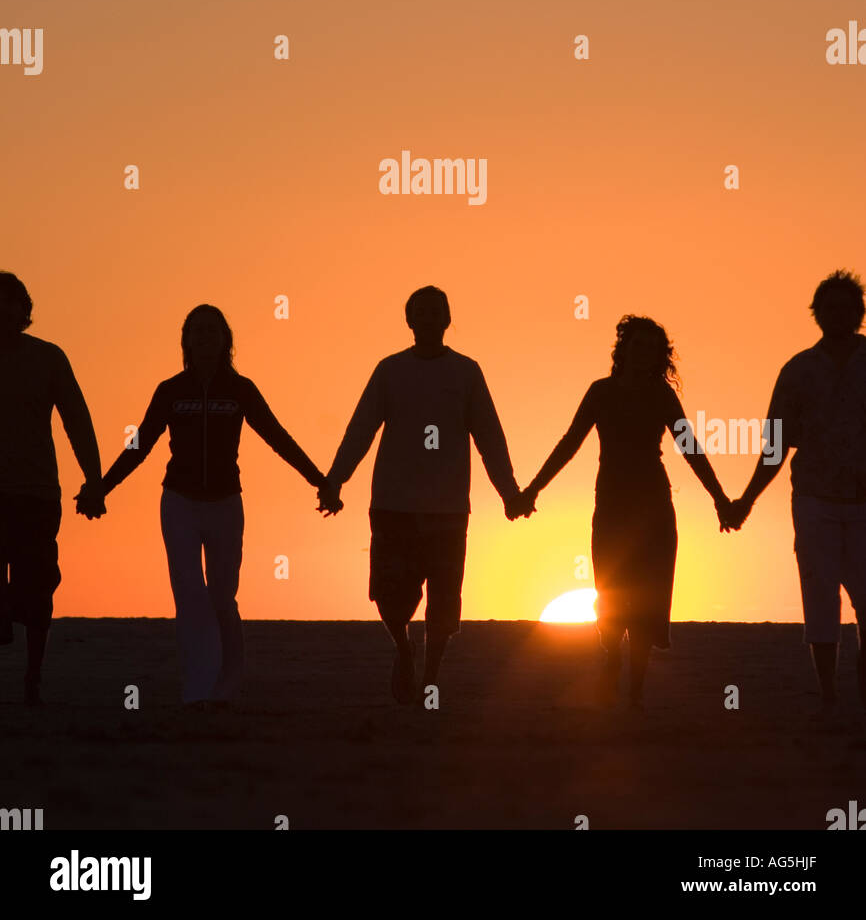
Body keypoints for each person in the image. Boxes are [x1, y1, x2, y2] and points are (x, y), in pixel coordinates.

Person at [84, 303, 341, 708]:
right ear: (186, 341)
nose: (203, 337)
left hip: (225, 503)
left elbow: (277, 436)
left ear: (225, 340)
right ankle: (198, 691)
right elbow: (140, 444)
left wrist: (321, 481)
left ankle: (227, 682)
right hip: (179, 503)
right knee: (189, 592)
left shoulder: (241, 390)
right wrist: (102, 488)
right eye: (196, 331)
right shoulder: (170, 391)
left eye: (211, 330)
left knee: (222, 595)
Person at [326, 285, 528, 704]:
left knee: (443, 599)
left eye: (438, 311)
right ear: (409, 320)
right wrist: (335, 480)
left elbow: (490, 435)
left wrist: (509, 492)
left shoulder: (467, 372)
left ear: (447, 319)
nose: (430, 318)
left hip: (448, 508)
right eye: (422, 311)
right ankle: (403, 647)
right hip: (392, 503)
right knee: (388, 593)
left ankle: (431, 675)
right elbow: (360, 428)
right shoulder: (389, 370)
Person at [518, 315, 733, 708]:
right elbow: (570, 443)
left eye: (651, 349)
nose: (643, 354)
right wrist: (532, 489)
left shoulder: (661, 396)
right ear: (623, 350)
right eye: (637, 346)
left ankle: (635, 688)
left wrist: (720, 498)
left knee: (648, 599)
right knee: (612, 594)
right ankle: (612, 656)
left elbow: (690, 447)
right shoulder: (601, 392)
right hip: (612, 504)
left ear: (658, 356)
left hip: (654, 505)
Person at [728, 270, 866, 722]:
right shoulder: (799, 370)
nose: (839, 315)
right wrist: (746, 499)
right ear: (817, 314)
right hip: (815, 501)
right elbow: (775, 444)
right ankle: (827, 692)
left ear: (859, 313)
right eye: (830, 308)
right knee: (820, 598)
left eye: (848, 307)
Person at [0, 271, 104, 704]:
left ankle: (33, 677)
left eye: (12, 305)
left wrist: (95, 481)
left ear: (25, 312)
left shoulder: (48, 358)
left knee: (38, 587)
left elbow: (76, 419)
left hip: (36, 494)